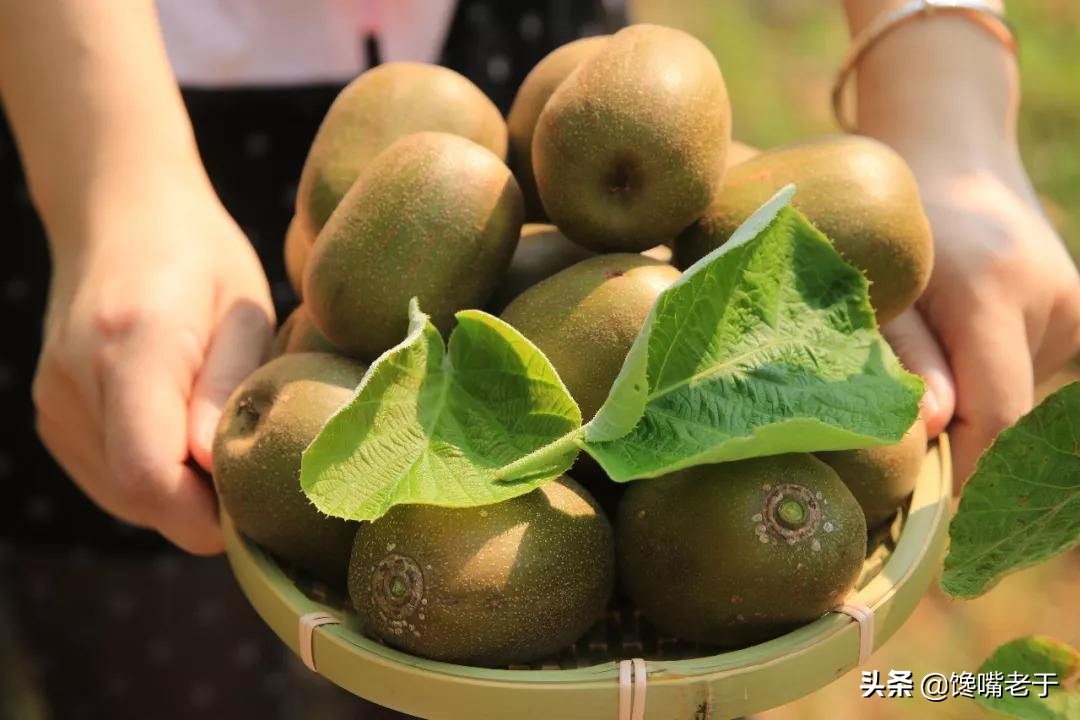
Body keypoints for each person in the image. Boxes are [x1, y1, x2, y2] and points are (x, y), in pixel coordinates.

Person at [1, 0, 1077, 561]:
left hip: (529, 52)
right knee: (141, 547)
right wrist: (109, 173)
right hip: (130, 79)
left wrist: (945, 106)